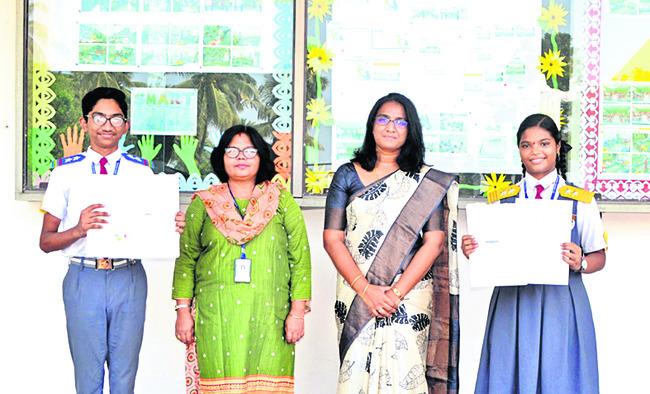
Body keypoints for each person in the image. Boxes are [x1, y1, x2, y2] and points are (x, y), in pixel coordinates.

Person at [39, 86, 185, 393]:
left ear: (126, 126)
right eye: (100, 117)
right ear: (85, 122)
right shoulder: (65, 173)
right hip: (84, 277)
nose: (108, 125)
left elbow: (155, 226)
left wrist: (171, 224)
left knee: (124, 375)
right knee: (88, 376)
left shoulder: (142, 173)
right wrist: (79, 229)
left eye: (116, 118)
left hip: (128, 277)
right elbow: (46, 240)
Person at [323, 92, 460, 393]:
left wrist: (394, 293)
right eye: (383, 119)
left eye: (401, 121)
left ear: (411, 130)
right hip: (356, 293)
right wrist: (366, 289)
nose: (391, 127)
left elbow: (434, 242)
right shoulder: (347, 174)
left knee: (405, 376)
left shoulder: (426, 181)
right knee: (354, 376)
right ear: (372, 125)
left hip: (408, 295)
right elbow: (332, 238)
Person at [461, 113, 607, 393]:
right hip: (512, 301)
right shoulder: (503, 199)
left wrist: (582, 261)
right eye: (526, 145)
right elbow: (490, 250)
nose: (535, 151)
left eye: (544, 143)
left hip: (562, 304)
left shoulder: (580, 201)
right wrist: (474, 251)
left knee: (560, 377)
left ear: (557, 148)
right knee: (509, 373)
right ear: (519, 150)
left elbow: (599, 256)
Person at [172, 125, 311, 393]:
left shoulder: (281, 200)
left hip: (271, 317)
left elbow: (300, 258)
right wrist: (182, 312)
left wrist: (297, 313)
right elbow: (186, 258)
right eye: (232, 150)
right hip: (215, 317)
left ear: (261, 157)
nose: (241, 157)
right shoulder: (203, 202)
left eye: (249, 150)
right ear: (221, 157)